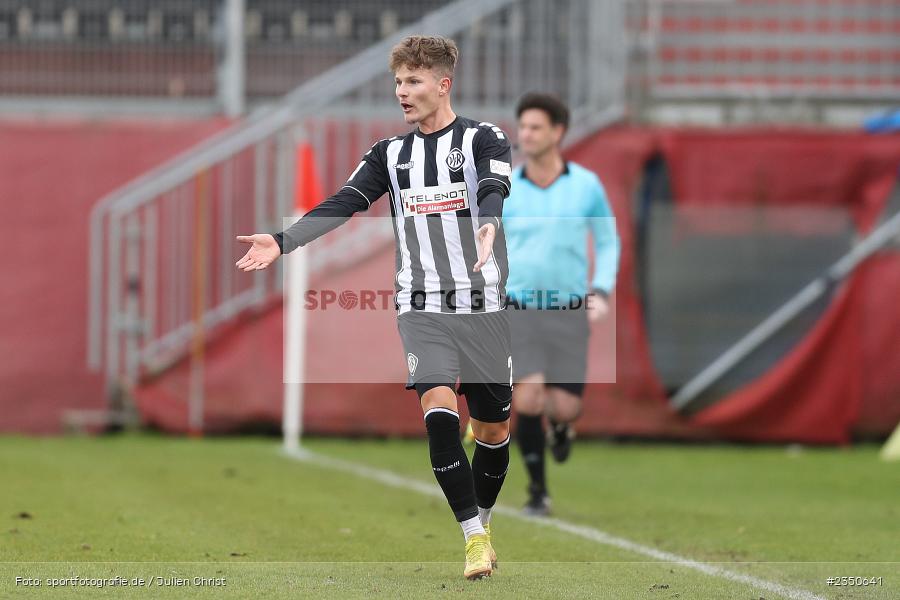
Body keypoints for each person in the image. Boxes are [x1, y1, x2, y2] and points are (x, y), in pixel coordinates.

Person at [234, 35, 513, 580]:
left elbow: (495, 186)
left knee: (493, 432)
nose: (401, 93)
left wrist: (488, 220)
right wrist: (283, 240)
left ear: (442, 84)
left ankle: (483, 518)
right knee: (437, 412)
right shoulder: (390, 153)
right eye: (398, 82)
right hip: (420, 304)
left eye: (412, 82)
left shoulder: (484, 138)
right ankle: (473, 538)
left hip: (483, 302)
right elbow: (344, 202)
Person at [504, 92, 620, 516]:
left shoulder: (586, 186)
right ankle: (538, 492)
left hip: (569, 308)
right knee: (528, 398)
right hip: (518, 307)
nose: (526, 135)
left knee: (564, 406)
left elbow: (608, 241)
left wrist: (602, 290)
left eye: (535, 127)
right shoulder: (507, 188)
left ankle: (563, 429)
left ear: (558, 132)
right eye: (523, 127)